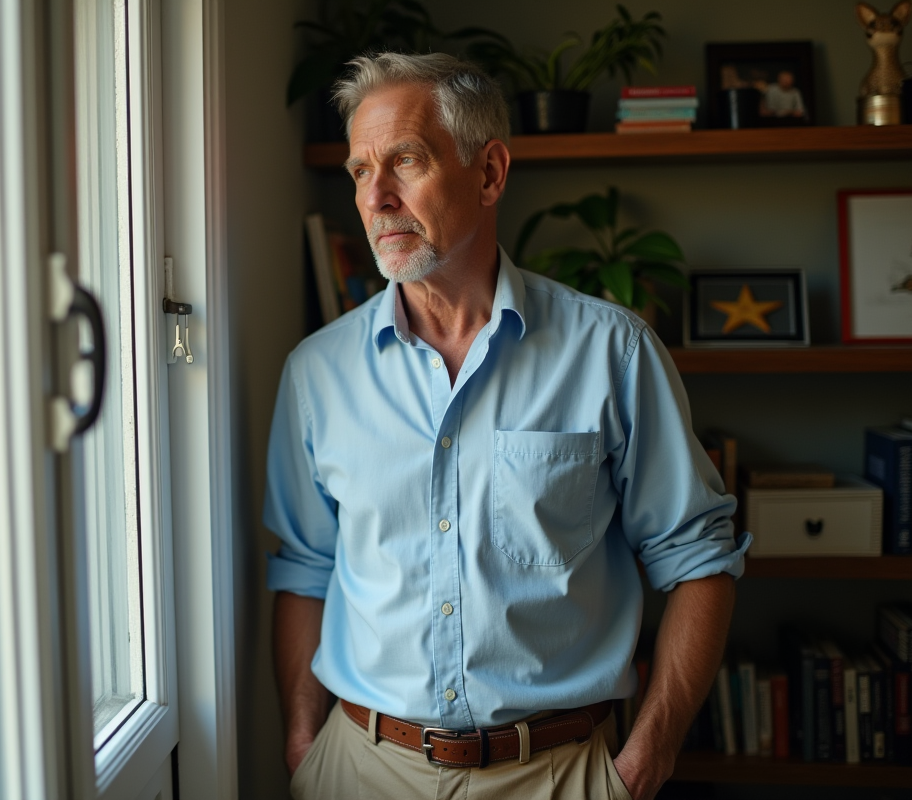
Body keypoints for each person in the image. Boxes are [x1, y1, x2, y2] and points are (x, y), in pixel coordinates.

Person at [264, 52, 749, 800]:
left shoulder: (611, 353)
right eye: (362, 170)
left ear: (489, 173)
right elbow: (303, 567)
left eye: (406, 161)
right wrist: (303, 741)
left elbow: (698, 558)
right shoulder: (315, 373)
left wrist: (647, 756)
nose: (377, 197)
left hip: (558, 775)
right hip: (358, 770)